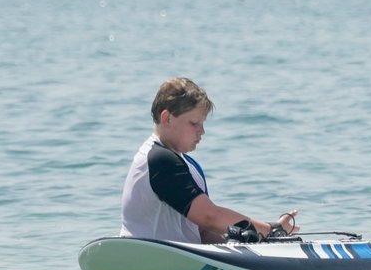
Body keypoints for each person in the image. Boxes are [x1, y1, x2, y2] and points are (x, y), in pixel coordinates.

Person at [121, 77, 298, 244]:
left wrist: (256, 241)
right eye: (194, 123)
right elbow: (209, 216)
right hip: (146, 258)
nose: (202, 131)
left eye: (203, 123)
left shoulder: (187, 164)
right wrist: (271, 230)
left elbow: (203, 232)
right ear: (167, 118)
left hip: (175, 263)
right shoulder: (160, 159)